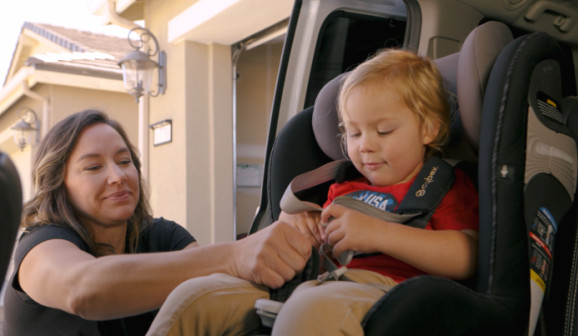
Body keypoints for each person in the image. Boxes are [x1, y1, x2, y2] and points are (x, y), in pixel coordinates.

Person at [145, 48, 479, 335]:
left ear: (428, 129)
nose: (365, 146)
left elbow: (466, 256)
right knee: (196, 297)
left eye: (383, 130)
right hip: (314, 282)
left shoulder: (441, 183)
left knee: (308, 307)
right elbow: (310, 239)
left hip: (392, 294)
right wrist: (301, 227)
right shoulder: (341, 184)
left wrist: (378, 234)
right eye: (354, 133)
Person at [2, 109, 313, 336]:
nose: (118, 176)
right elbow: (83, 289)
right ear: (58, 184)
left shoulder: (163, 236)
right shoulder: (40, 245)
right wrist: (234, 254)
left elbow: (212, 296)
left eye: (125, 162)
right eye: (94, 166)